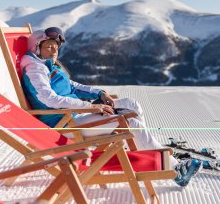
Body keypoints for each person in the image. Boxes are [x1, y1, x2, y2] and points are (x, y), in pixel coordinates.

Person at [20, 27, 202, 187]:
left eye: (56, 47)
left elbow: (72, 86)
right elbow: (49, 99)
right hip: (65, 124)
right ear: (37, 48)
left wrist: (98, 94)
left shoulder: (49, 66)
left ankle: (143, 148)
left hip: (77, 114)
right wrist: (90, 107)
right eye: (49, 47)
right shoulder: (35, 70)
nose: (54, 51)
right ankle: (175, 171)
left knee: (131, 104)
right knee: (129, 123)